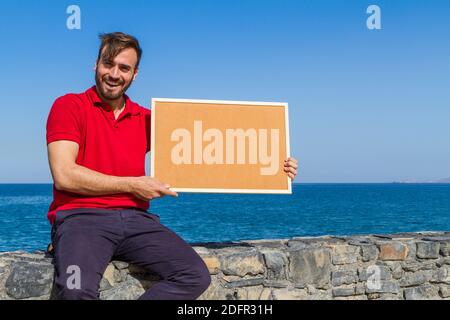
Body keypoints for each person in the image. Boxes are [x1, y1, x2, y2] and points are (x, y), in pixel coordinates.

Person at [46, 32, 299, 300]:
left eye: (124, 68)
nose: (114, 74)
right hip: (82, 218)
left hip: (136, 221)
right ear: (95, 64)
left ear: (135, 74)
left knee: (194, 276)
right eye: (108, 64)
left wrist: (276, 165)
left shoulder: (147, 119)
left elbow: (214, 149)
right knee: (75, 290)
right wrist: (133, 184)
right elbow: (65, 175)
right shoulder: (69, 106)